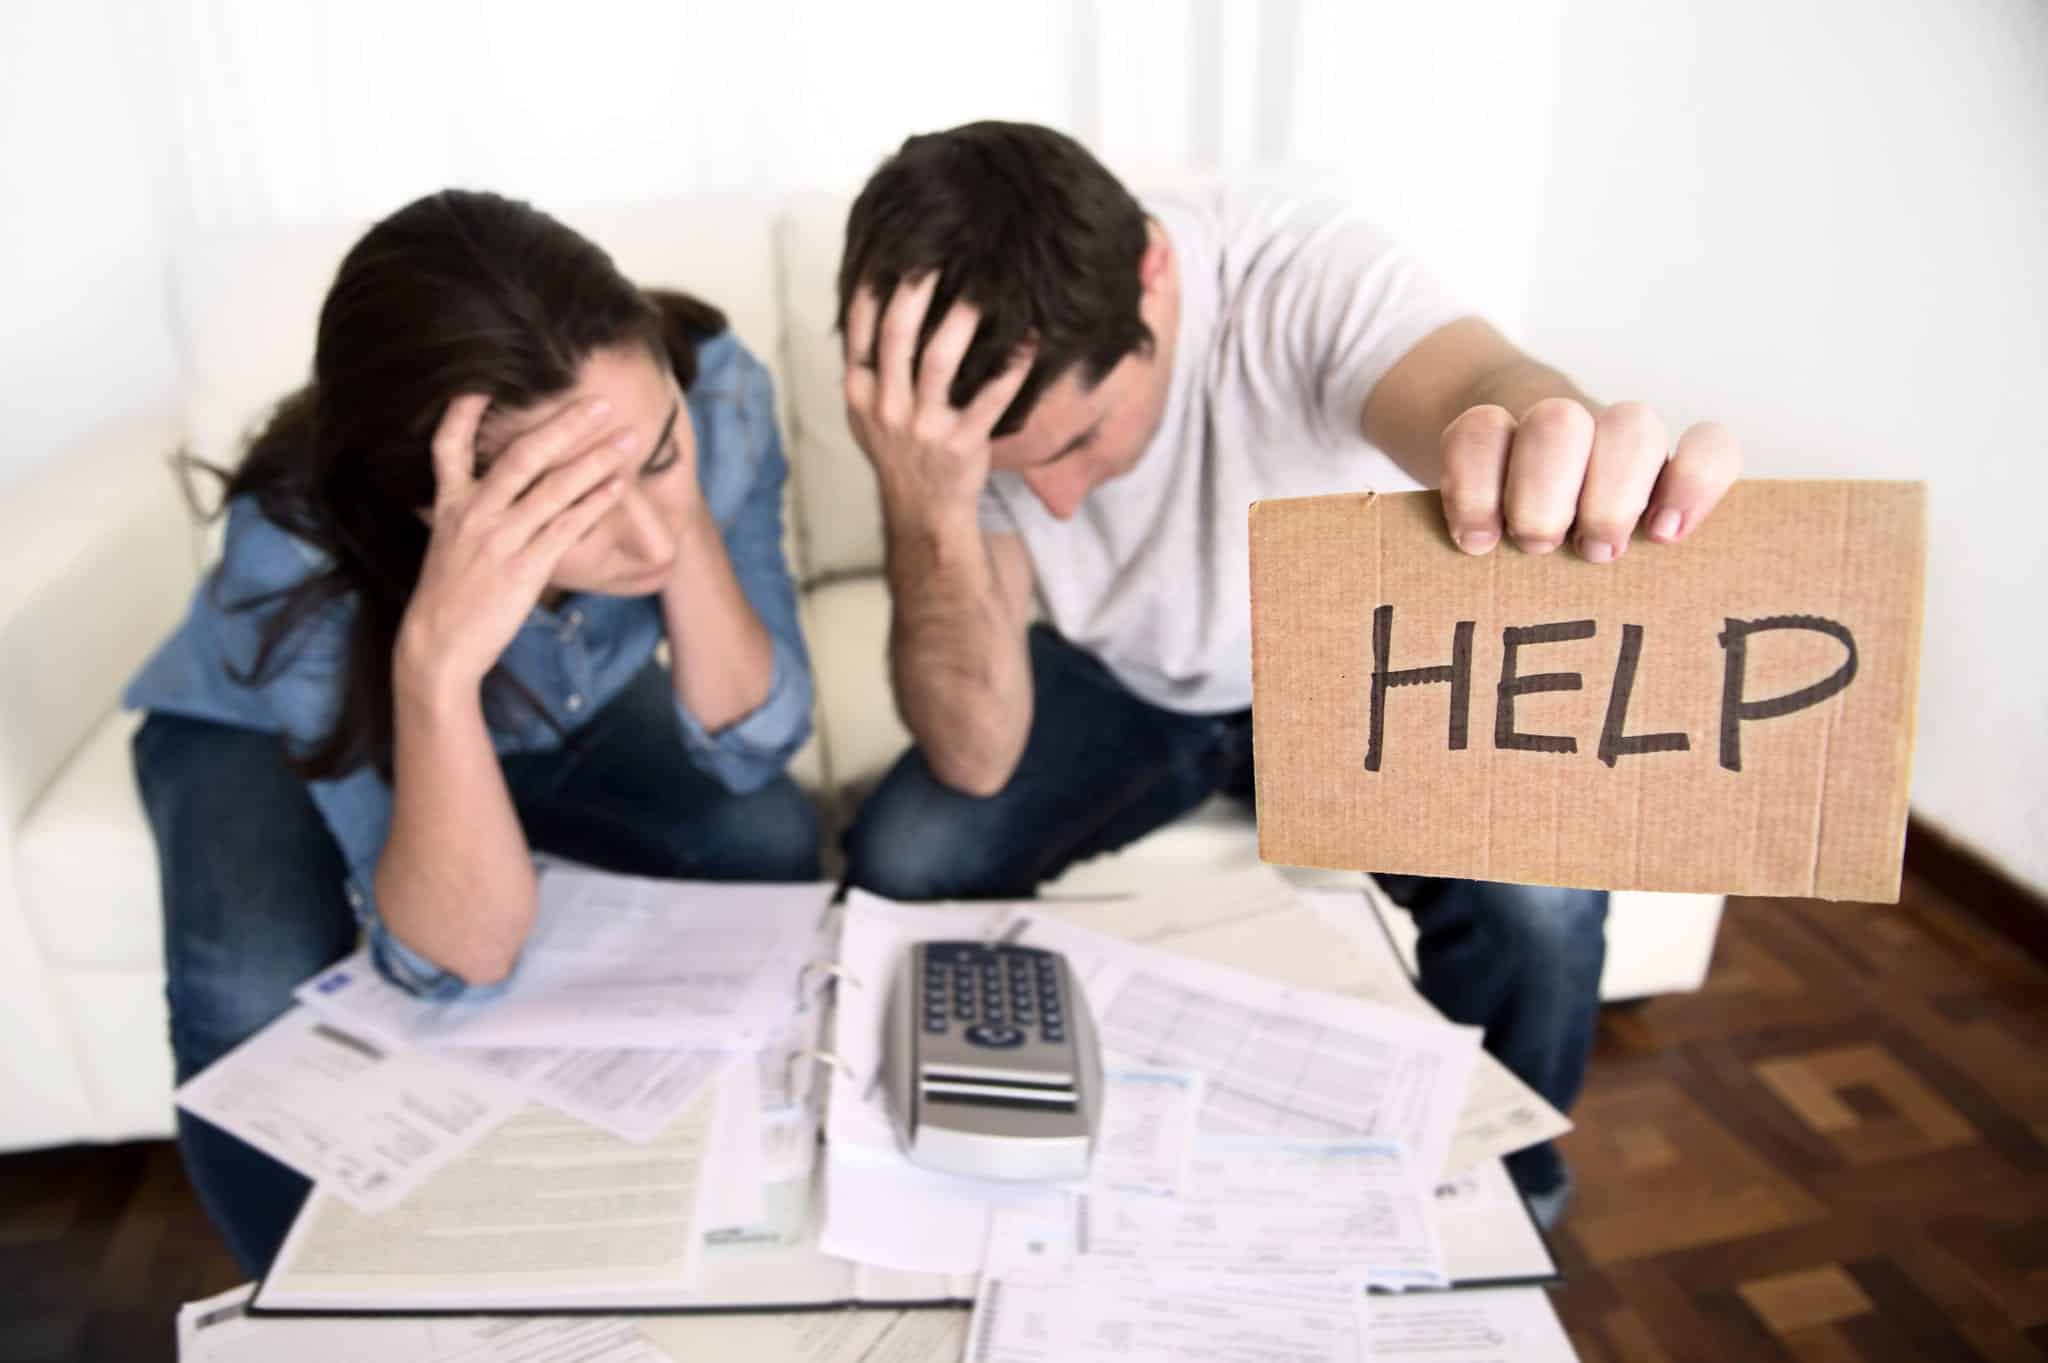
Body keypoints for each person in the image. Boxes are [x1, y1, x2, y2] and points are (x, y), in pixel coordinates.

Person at [834, 122, 1742, 1226]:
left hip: (1343, 662)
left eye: (1080, 443)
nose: (1059, 503)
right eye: (1017, 476)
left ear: (1151, 279)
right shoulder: (939, 412)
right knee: (905, 847)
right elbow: (975, 758)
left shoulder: (1295, 270)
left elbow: (1478, 386)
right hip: (1119, 679)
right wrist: (927, 499)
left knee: (1538, 891)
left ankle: (1509, 1185)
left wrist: (1542, 444)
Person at [126, 189, 819, 1273]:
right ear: (433, 506)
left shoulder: (712, 389)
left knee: (767, 835)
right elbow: (453, 963)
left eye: (653, 455)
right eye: (570, 508)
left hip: (552, 699)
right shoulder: (295, 550)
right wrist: (437, 670)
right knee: (249, 985)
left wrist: (670, 495)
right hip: (253, 723)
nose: (645, 539)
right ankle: (296, 1309)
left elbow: (753, 740)